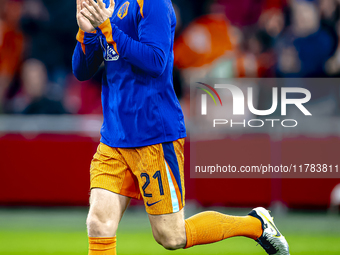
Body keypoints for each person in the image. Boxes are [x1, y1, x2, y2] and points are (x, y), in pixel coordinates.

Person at [72, 0, 290, 254]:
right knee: (99, 224)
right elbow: (82, 71)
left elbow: (156, 62)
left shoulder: (153, 4)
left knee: (171, 236)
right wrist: (87, 32)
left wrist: (108, 30)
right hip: (114, 136)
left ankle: (256, 225)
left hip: (154, 136)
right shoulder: (107, 4)